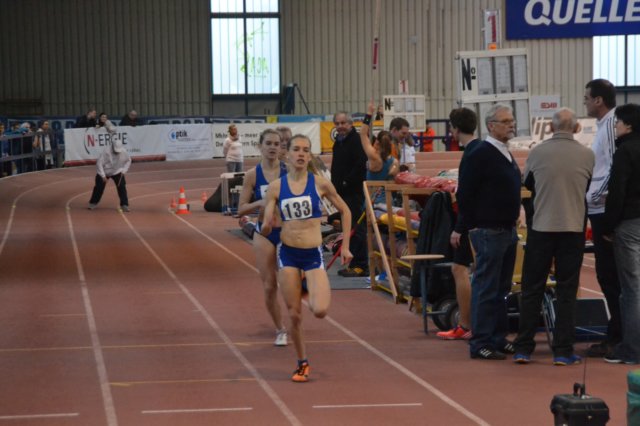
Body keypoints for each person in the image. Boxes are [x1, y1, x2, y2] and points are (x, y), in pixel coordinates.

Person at [261, 134, 352, 383]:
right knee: (294, 315)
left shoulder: (320, 184)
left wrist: (345, 246)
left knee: (320, 310)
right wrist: (267, 225)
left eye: (305, 150)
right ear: (287, 154)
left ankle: (305, 287)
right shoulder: (276, 187)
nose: (301, 154)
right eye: (296, 149)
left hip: (312, 255)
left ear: (309, 156)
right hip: (288, 254)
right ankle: (302, 363)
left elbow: (345, 211)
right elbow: (267, 222)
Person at [512, 108, 595, 366]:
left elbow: (528, 183)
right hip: (572, 228)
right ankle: (562, 350)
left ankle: (523, 348)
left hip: (542, 227)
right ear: (577, 128)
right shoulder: (587, 155)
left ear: (550, 127)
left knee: (532, 288)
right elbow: (589, 186)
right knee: (567, 290)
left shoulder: (537, 152)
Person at [456, 103, 521, 360]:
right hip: (488, 230)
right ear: (491, 126)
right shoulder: (480, 153)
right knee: (486, 287)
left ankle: (497, 337)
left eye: (512, 120)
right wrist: (470, 224)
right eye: (506, 121)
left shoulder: (505, 152)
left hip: (507, 230)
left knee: (501, 288)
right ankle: (480, 341)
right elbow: (465, 192)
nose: (511, 124)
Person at [238, 129, 288, 347]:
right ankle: (280, 329)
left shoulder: (289, 171)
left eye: (276, 144)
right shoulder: (252, 175)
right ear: (260, 146)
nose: (272, 147)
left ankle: (295, 316)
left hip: (287, 232)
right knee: (269, 286)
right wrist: (260, 202)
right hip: (264, 234)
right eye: (268, 143)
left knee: (290, 283)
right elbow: (240, 209)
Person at [583, 79, 622, 358]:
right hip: (599, 209)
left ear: (598, 100)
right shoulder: (603, 126)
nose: (584, 102)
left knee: (611, 277)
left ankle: (617, 337)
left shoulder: (610, 126)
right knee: (607, 276)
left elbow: (615, 167)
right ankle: (617, 333)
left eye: (587, 98)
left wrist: (593, 196)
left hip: (604, 210)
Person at [339, 101, 399, 278]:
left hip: (372, 204)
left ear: (377, 143)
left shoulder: (374, 158)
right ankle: (385, 271)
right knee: (384, 237)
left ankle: (374, 269)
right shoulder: (393, 161)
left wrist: (369, 114)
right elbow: (394, 177)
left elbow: (363, 134)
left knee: (371, 238)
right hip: (387, 203)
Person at [602, 103, 640, 365]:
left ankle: (631, 349)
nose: (615, 126)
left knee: (631, 289)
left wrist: (607, 226)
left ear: (628, 125)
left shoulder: (625, 151)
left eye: (617, 122)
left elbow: (617, 192)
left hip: (629, 224)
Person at [438, 107, 481, 340]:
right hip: (483, 221)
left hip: (474, 223)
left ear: (455, 129)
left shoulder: (471, 154)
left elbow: (466, 196)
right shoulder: (480, 150)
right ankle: (472, 324)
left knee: (460, 268)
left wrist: (459, 228)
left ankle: (466, 325)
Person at [330, 111, 367, 242]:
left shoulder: (356, 140)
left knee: (356, 226)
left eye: (343, 123)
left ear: (351, 124)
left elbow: (360, 164)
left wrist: (346, 182)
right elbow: (336, 166)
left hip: (353, 192)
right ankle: (349, 250)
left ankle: (359, 255)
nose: (340, 126)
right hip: (341, 192)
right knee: (346, 225)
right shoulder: (338, 142)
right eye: (337, 123)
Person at [88, 116, 130, 211]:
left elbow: (129, 160)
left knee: (121, 186)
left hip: (117, 171)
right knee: (99, 187)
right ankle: (93, 203)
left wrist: (124, 171)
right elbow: (99, 164)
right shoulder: (106, 152)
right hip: (104, 171)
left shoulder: (123, 151)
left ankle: (124, 204)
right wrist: (103, 176)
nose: (117, 152)